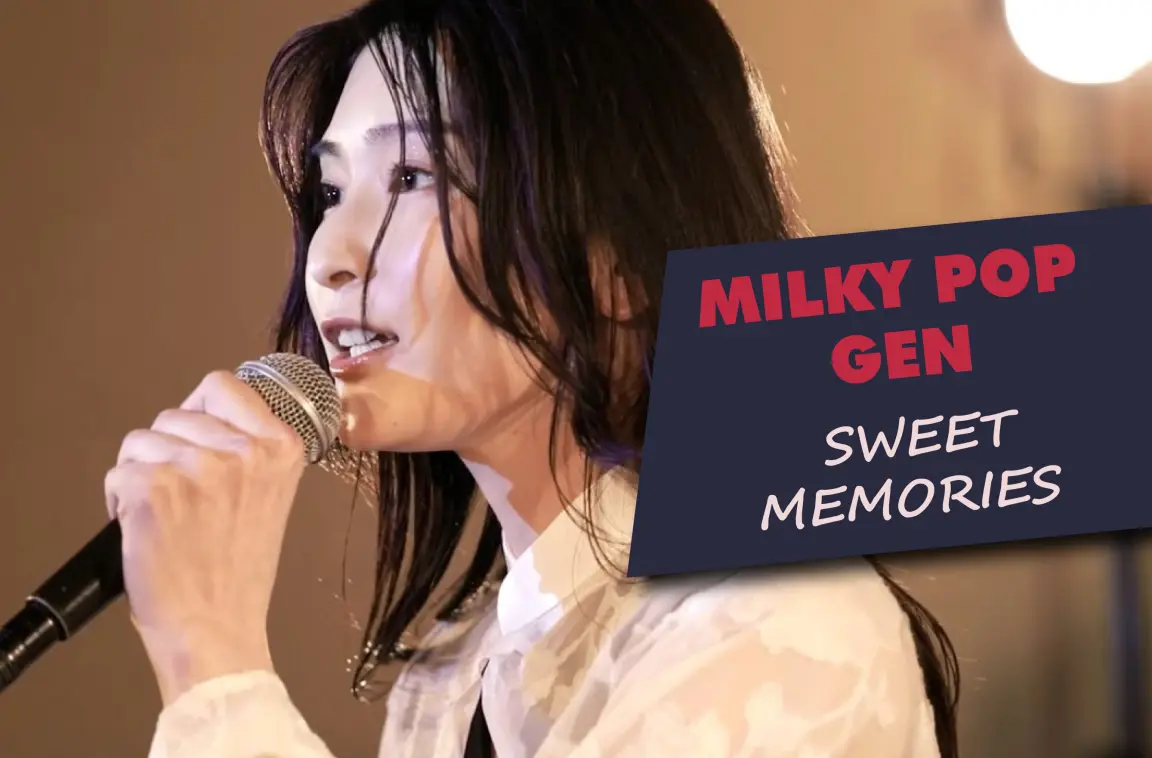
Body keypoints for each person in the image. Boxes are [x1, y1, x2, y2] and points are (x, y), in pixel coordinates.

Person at [104, 1, 961, 756]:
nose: (329, 256)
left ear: (618, 262)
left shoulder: (776, 628)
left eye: (412, 177)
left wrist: (213, 664)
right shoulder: (451, 676)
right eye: (329, 192)